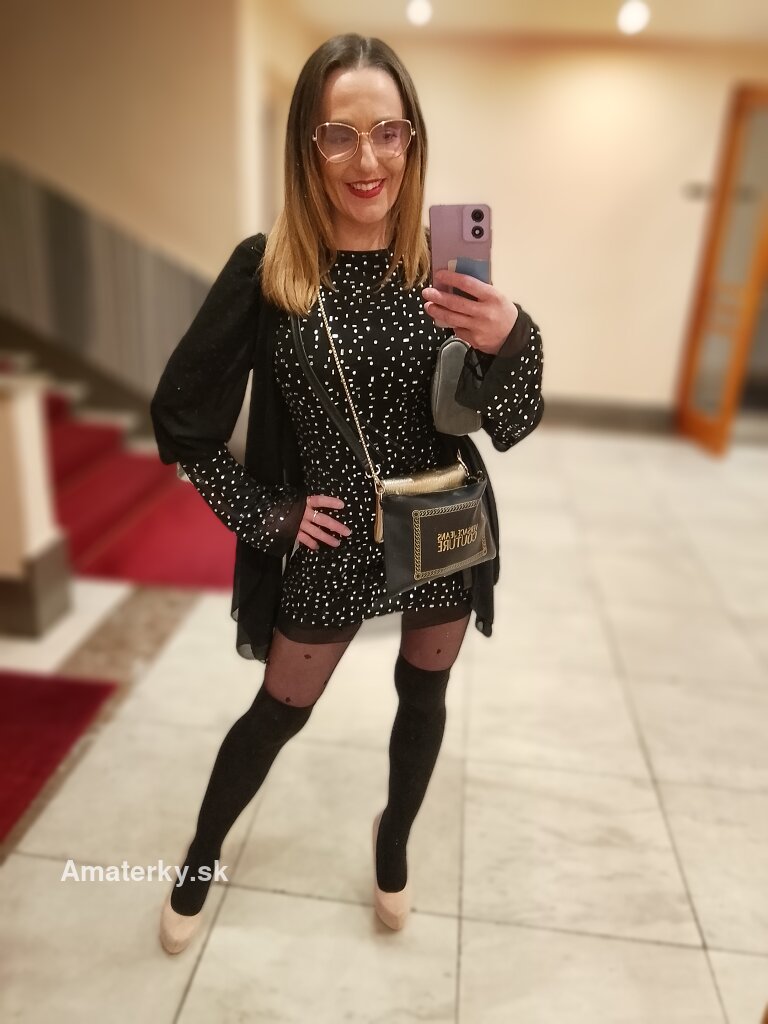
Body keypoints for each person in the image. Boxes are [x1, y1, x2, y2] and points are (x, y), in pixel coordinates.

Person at [149, 33, 544, 954]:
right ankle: (202, 854)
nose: (368, 160)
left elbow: (512, 422)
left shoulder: (442, 270)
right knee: (278, 712)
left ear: (412, 140)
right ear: (308, 146)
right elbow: (183, 418)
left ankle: (393, 838)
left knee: (425, 695)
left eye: (388, 132)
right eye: (340, 135)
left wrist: (513, 337)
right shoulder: (271, 271)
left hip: (442, 521)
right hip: (331, 540)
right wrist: (267, 514)